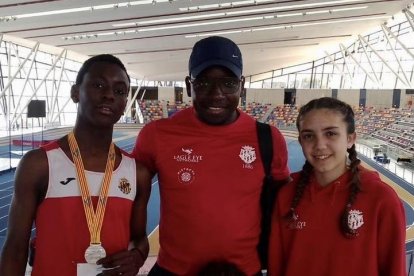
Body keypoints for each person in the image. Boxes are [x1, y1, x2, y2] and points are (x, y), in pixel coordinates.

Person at [132, 36, 290, 275]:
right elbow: (127, 194)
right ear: (188, 85)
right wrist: (135, 244)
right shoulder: (157, 134)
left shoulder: (268, 139)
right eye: (203, 83)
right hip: (173, 271)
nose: (217, 94)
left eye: (228, 83)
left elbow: (286, 202)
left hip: (243, 271)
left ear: (242, 85)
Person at [0, 54, 152, 276]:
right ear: (75, 93)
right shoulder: (39, 164)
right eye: (98, 85)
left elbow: (139, 240)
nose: (109, 95)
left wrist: (136, 257)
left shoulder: (137, 172)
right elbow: (14, 248)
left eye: (119, 91)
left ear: (124, 104)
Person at [268, 97, 406, 276]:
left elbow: (394, 269)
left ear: (350, 139)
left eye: (331, 133)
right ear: (301, 141)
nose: (319, 145)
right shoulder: (286, 196)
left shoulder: (381, 200)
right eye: (309, 136)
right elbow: (277, 267)